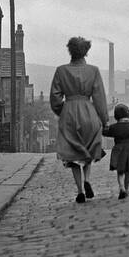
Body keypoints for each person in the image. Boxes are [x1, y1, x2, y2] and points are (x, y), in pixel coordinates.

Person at [50, 36, 108, 203]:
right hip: (89, 114)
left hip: (69, 113)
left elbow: (55, 98)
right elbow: (99, 99)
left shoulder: (61, 71)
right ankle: (88, 179)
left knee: (72, 154)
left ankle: (80, 190)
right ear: (86, 52)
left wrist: (63, 111)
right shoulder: (94, 71)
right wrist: (104, 120)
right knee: (88, 150)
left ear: (70, 51)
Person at [102, 103, 129, 199]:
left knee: (120, 171)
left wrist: (104, 124)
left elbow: (105, 132)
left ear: (116, 115)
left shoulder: (114, 127)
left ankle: (121, 188)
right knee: (127, 172)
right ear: (128, 114)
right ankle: (126, 189)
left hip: (118, 150)